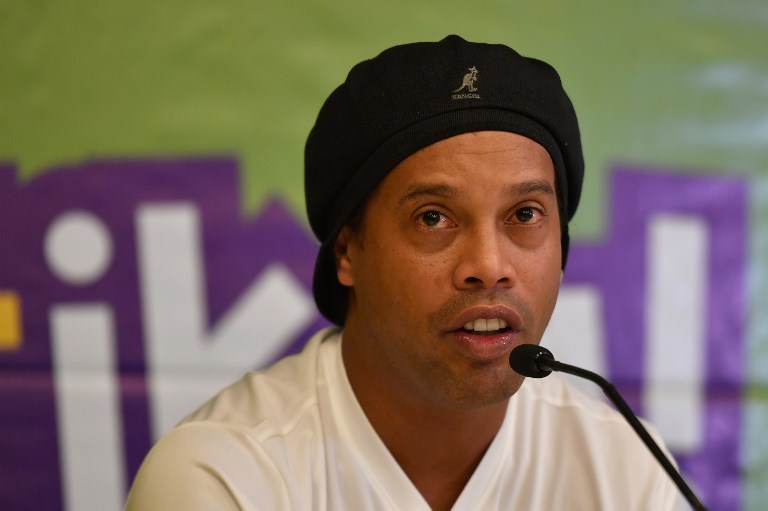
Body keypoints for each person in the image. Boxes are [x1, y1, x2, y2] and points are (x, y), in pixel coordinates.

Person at [125, 35, 682, 510]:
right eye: (433, 217)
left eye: (525, 215)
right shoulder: (224, 478)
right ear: (346, 252)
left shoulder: (625, 474)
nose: (488, 267)